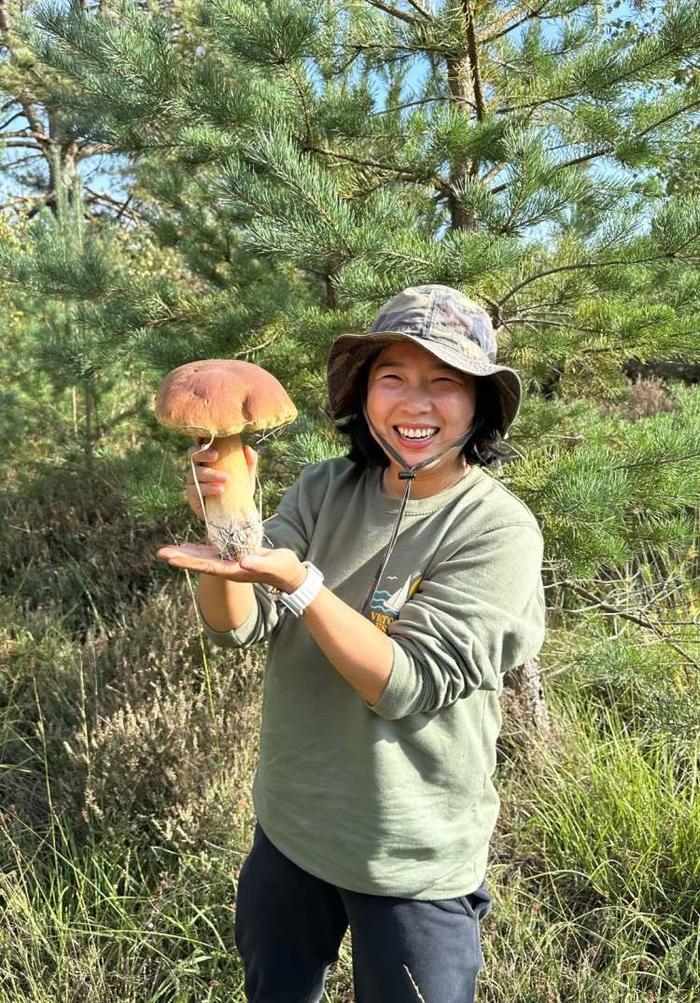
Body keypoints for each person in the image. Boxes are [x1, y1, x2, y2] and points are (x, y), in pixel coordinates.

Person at [157, 284, 547, 1003]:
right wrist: (225, 532)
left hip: (411, 854)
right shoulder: (325, 488)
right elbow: (238, 625)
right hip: (293, 826)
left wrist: (300, 584)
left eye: (444, 383)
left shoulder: (497, 530)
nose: (415, 402)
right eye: (393, 377)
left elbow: (406, 683)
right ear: (364, 394)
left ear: (480, 404)